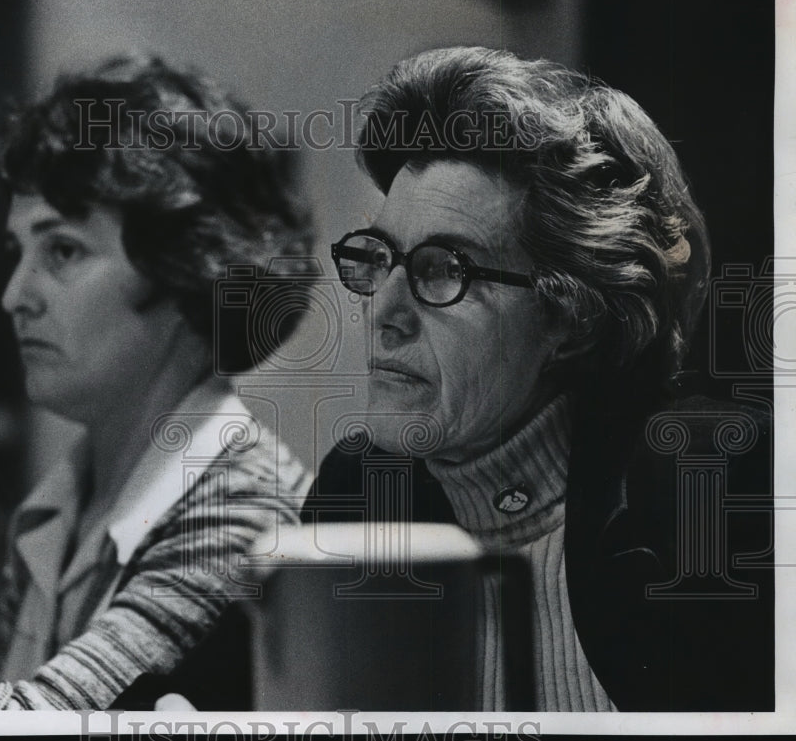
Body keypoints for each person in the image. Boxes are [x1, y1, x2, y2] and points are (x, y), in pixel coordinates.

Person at [0, 54, 313, 710]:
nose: (13, 296)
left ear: (187, 271)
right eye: (18, 252)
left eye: (63, 251)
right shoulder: (64, 507)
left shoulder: (242, 514)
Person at [304, 46, 773, 711]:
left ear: (570, 314)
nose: (384, 311)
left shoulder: (715, 486)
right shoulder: (359, 495)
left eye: (443, 269)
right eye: (380, 258)